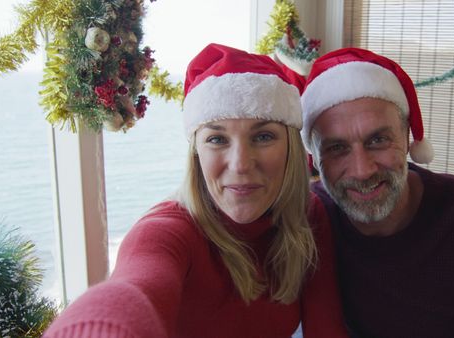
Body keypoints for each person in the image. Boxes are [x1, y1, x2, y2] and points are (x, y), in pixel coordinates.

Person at [43, 43, 347, 338]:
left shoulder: (308, 215)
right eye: (217, 139)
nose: (240, 164)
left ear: (291, 149)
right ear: (196, 152)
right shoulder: (168, 232)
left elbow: (327, 328)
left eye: (264, 136)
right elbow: (132, 289)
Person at [299, 47, 454, 337]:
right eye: (336, 148)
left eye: (378, 140)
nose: (362, 170)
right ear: (315, 159)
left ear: (407, 137)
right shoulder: (303, 224)